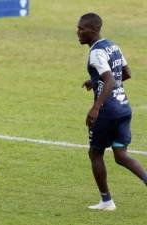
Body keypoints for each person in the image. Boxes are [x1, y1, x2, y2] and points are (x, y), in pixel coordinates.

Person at [77, 13, 147, 211]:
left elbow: (109, 80)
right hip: (124, 108)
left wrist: (95, 108)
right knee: (121, 155)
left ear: (92, 30)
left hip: (107, 112)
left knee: (95, 153)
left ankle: (107, 201)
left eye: (81, 29)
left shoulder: (96, 52)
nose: (78, 32)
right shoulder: (112, 45)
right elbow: (126, 73)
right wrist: (95, 81)